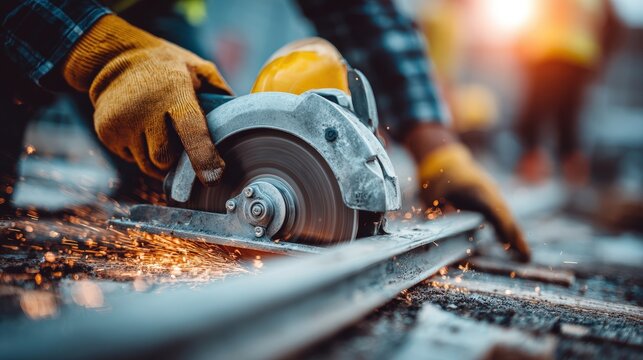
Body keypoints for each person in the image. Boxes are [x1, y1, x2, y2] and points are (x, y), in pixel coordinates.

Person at [0, 0, 530, 261]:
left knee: (195, 161)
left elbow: (360, 10)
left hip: (141, 13)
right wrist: (99, 52)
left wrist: (436, 145)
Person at [514, 0, 622, 185]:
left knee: (543, 118)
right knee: (564, 120)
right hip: (569, 57)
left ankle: (542, 176)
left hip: (552, 55)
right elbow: (613, 26)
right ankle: (564, 177)